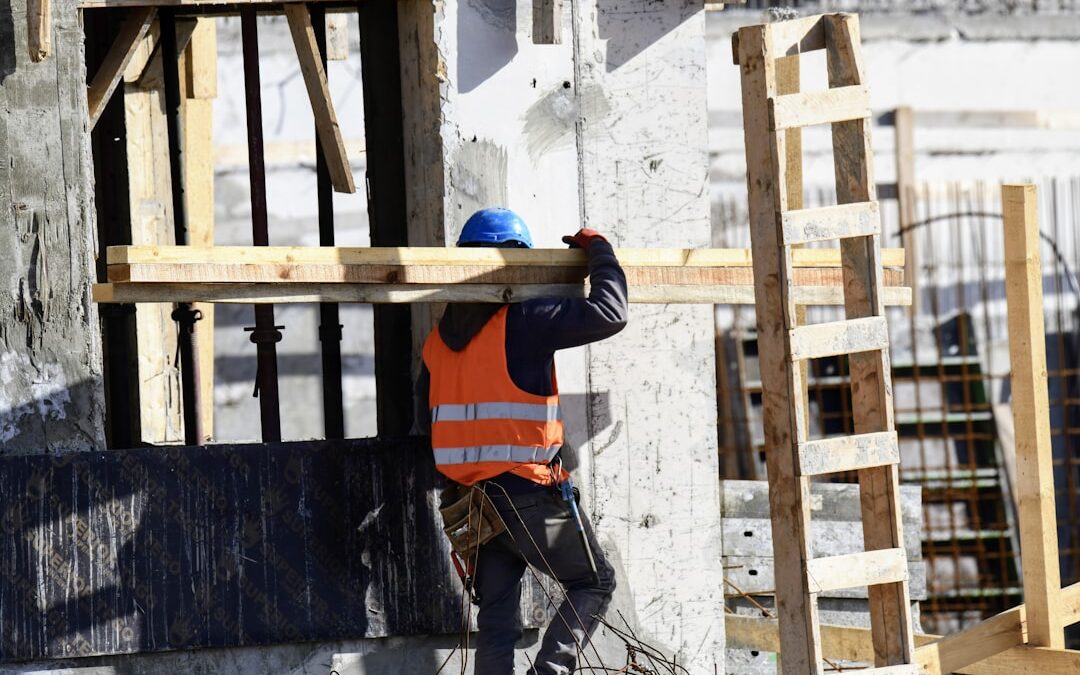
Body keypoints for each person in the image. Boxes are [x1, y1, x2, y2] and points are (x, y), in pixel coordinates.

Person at [417, 207, 628, 675]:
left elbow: (423, 425)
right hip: (527, 491)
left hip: (473, 505)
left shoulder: (436, 344)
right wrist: (598, 248)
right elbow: (611, 313)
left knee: (496, 624)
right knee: (594, 583)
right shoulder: (527, 319)